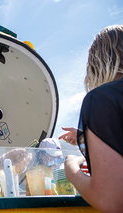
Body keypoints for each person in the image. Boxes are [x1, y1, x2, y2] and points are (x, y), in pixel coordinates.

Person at [59, 25, 123, 212]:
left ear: (97, 61)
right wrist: (83, 137)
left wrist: (71, 168)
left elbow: (110, 200)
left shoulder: (102, 98)